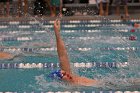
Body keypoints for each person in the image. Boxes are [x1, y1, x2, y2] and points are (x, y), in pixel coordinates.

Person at [49, 20, 140, 87]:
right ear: (60, 81)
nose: (66, 74)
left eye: (64, 72)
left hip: (108, 84)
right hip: (107, 87)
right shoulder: (69, 87)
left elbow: (62, 55)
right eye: (63, 75)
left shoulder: (71, 77)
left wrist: (57, 34)